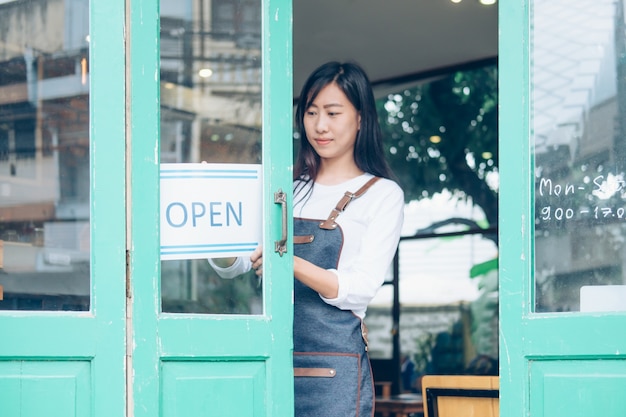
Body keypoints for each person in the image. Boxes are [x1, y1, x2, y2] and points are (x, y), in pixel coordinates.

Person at [210, 61, 404, 416]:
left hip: (334, 370)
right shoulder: (287, 188)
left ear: (361, 118)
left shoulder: (383, 194)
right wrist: (210, 236)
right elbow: (238, 261)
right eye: (311, 112)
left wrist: (286, 262)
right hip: (270, 360)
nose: (320, 125)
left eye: (332, 112)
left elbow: (359, 288)